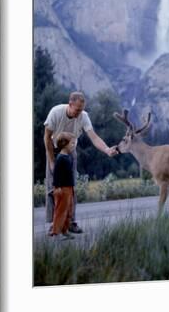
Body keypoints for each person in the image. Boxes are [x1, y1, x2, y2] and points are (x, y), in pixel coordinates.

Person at [44, 91, 117, 234]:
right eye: (77, 109)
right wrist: (52, 161)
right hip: (54, 150)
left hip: (71, 152)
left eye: (82, 109)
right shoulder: (56, 112)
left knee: (71, 188)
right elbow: (46, 138)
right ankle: (54, 224)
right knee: (53, 189)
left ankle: (71, 222)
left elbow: (94, 138)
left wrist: (107, 150)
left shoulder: (84, 116)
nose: (79, 113)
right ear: (70, 104)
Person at [49, 132, 77, 241]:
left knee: (68, 210)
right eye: (72, 144)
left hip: (69, 188)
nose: (73, 145)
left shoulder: (68, 157)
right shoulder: (60, 158)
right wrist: (58, 187)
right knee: (61, 210)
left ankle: (64, 231)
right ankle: (56, 232)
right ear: (64, 144)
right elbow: (57, 174)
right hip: (62, 189)